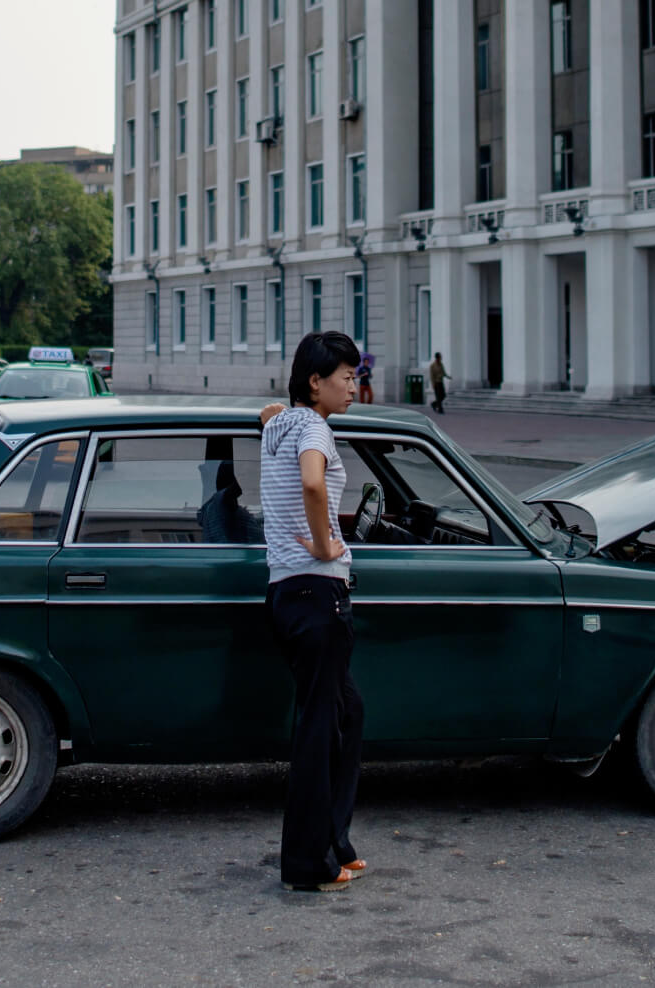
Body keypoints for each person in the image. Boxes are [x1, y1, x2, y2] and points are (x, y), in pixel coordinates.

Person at [259, 331, 366, 893]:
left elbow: (270, 411)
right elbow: (310, 481)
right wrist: (327, 543)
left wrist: (279, 407)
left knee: (346, 713)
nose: (354, 386)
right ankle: (308, 866)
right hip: (318, 594)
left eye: (354, 375)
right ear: (315, 382)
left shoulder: (280, 424)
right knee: (319, 731)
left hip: (285, 594)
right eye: (346, 377)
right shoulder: (315, 429)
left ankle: (336, 846)